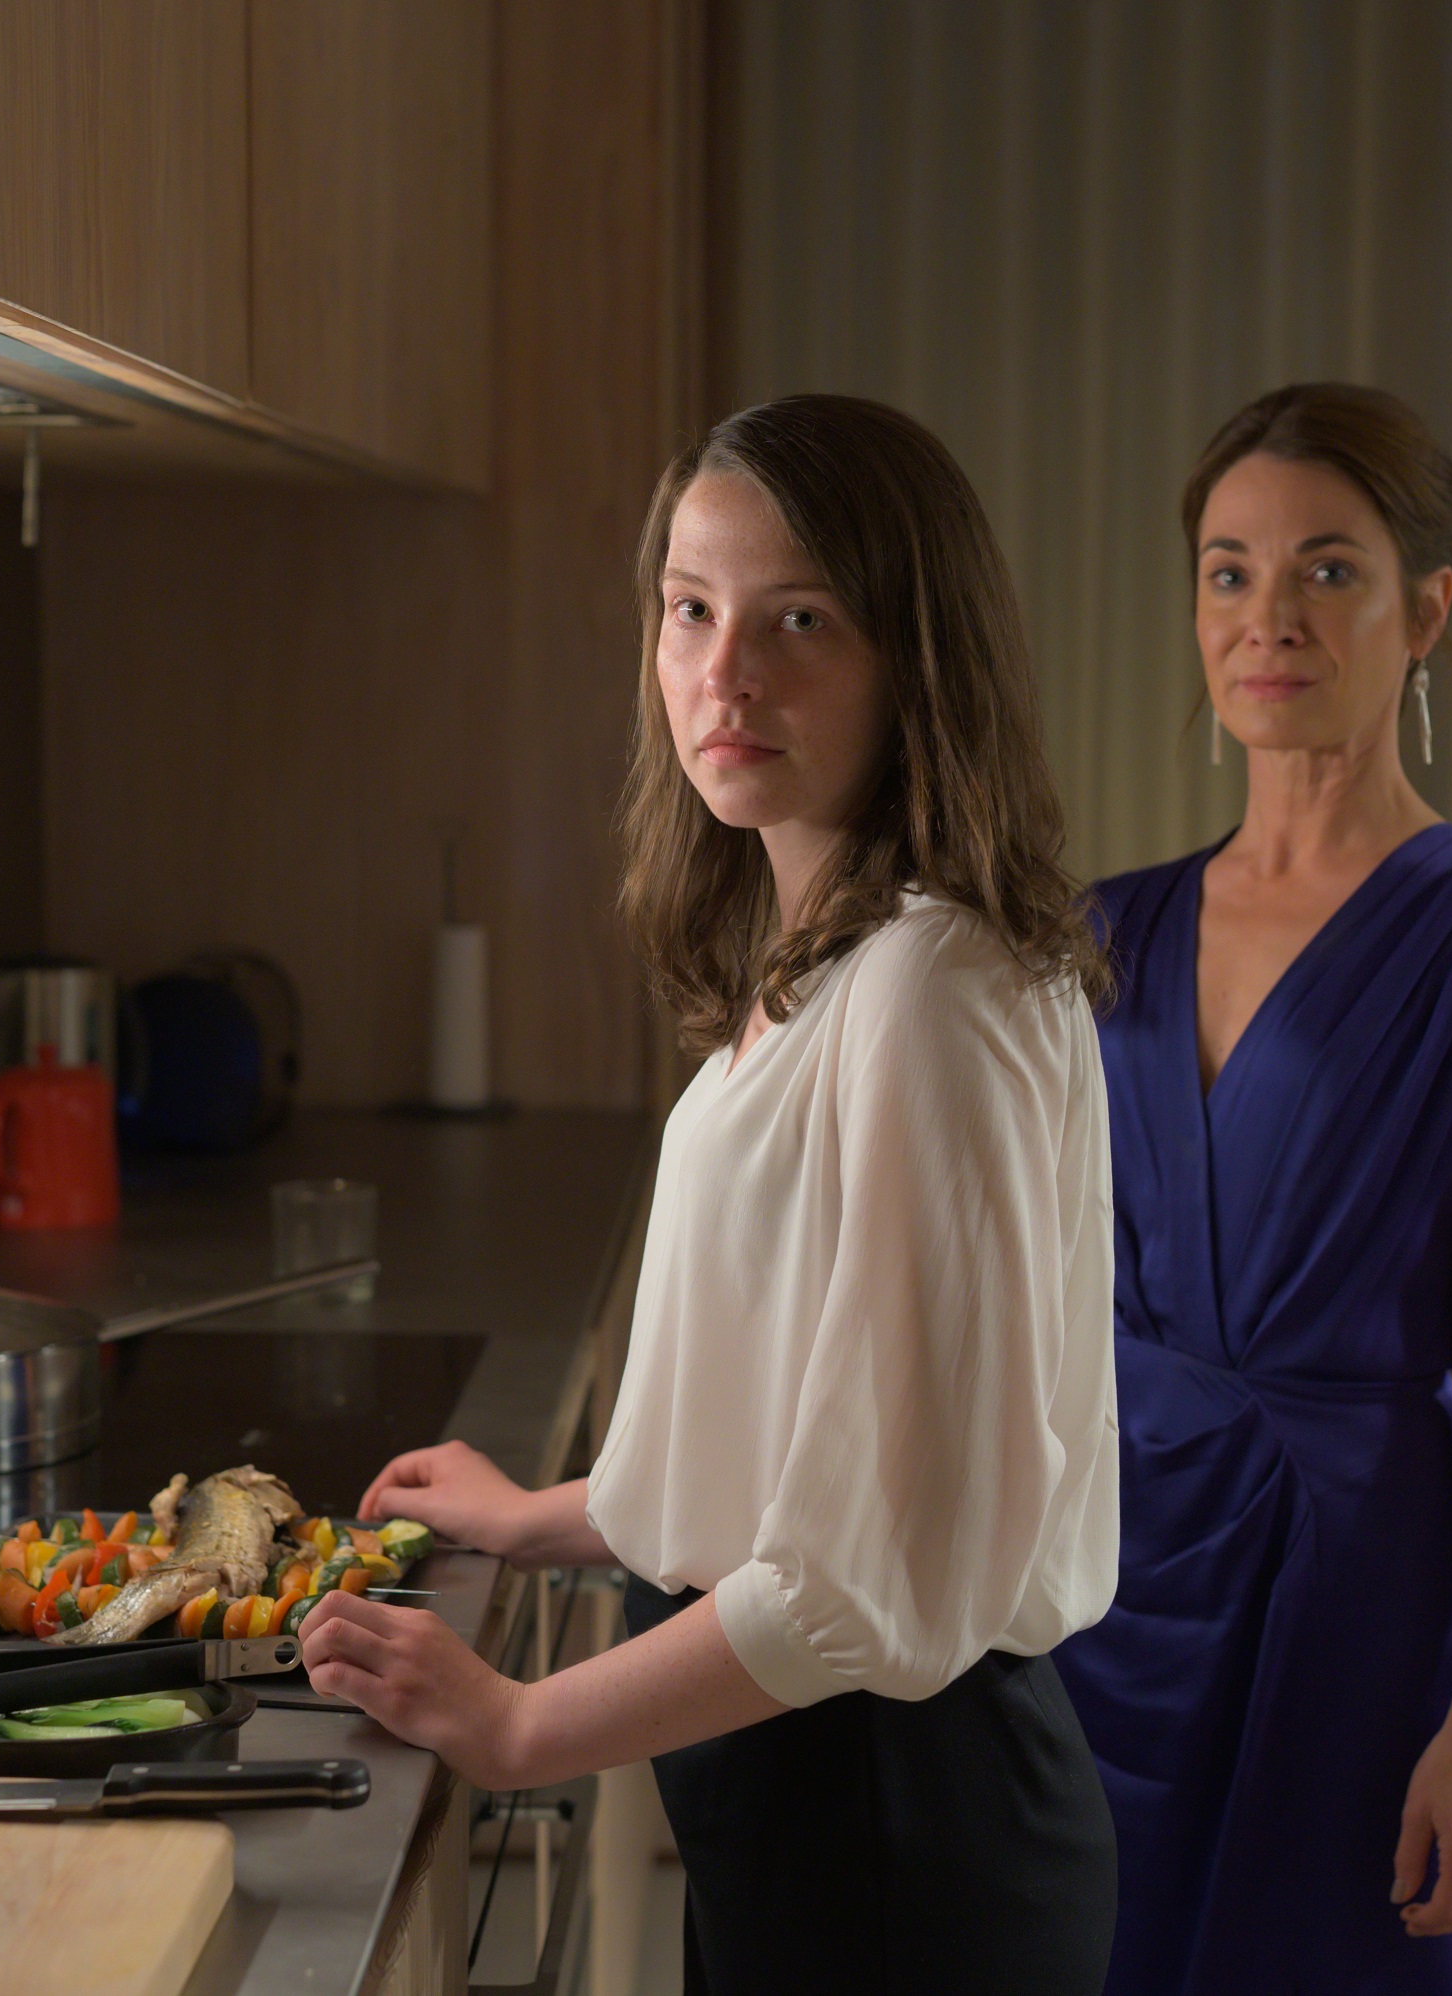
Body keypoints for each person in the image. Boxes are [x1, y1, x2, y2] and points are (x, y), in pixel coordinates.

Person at [300, 394, 1124, 1993]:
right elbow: (806, 1406)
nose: (721, 672)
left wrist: (523, 1725)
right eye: (691, 610)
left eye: (797, 617)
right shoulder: (838, 948)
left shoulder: (926, 989)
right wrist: (574, 1515)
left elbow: (880, 1566)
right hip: (824, 1798)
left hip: (899, 1824)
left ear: (918, 658)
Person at [1052, 383, 1452, 1994]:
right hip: (1103, 1598)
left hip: (1356, 1623)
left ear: (1426, 609)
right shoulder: (1101, 936)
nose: (1268, 617)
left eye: (1327, 570)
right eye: (1228, 572)